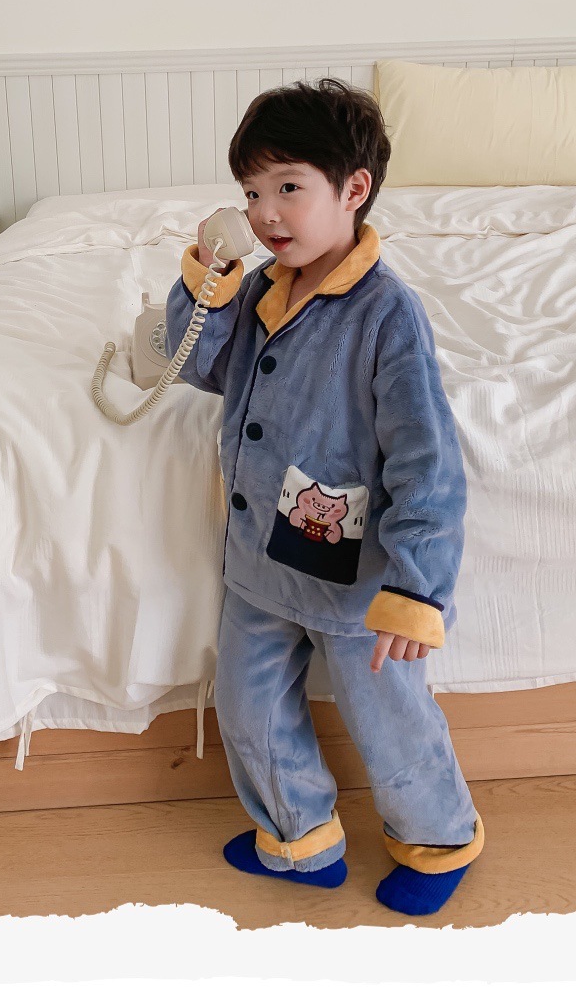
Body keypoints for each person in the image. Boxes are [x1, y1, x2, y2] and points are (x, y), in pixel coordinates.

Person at [165, 73, 483, 913]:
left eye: (288, 188)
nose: (265, 214)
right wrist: (208, 282)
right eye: (250, 194)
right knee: (249, 709)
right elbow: (199, 366)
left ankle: (438, 839)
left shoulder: (388, 315)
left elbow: (427, 460)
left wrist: (417, 585)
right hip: (257, 564)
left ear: (353, 189)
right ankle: (298, 835)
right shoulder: (260, 288)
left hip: (354, 579)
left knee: (390, 720)